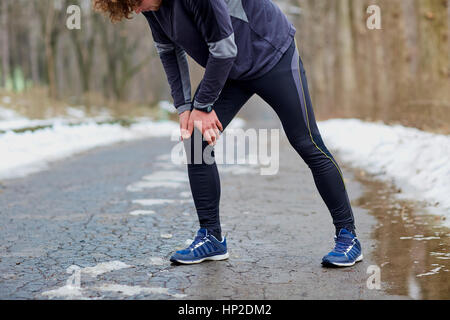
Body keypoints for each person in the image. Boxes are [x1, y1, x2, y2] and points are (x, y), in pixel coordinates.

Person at [94, 0, 363, 267]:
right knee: (196, 139)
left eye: (137, 3)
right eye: (132, 8)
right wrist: (184, 107)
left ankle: (348, 236)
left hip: (272, 56)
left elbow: (224, 49)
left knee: (306, 142)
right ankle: (212, 237)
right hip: (230, 70)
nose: (138, 10)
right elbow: (169, 53)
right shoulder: (152, 7)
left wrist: (202, 105)